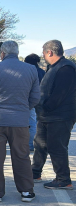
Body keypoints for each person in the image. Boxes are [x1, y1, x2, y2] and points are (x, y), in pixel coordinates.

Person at [0, 40, 40, 202]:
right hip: (20, 121)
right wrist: (24, 109)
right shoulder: (31, 69)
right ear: (17, 53)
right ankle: (26, 191)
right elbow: (35, 97)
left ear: (2, 53)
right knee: (21, 156)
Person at [32, 40, 76, 189]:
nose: (43, 56)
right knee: (40, 144)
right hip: (47, 115)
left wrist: (46, 107)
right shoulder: (54, 67)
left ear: (49, 52)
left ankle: (63, 179)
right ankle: (34, 172)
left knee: (57, 147)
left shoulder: (65, 68)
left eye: (43, 52)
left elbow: (60, 94)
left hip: (60, 116)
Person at [24, 54, 46, 151]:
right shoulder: (42, 72)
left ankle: (30, 144)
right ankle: (37, 142)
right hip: (41, 100)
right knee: (37, 122)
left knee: (31, 122)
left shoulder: (27, 71)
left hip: (30, 100)